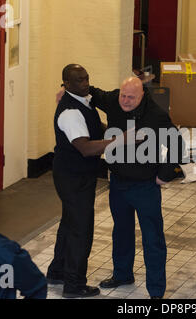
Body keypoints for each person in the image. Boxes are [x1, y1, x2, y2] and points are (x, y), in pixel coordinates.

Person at [58, 76, 185, 299]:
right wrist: (64, 92)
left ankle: (156, 290)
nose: (125, 101)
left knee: (152, 239)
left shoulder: (156, 115)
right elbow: (90, 89)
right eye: (123, 96)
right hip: (118, 184)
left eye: (131, 97)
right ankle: (122, 274)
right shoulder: (114, 100)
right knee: (121, 232)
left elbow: (177, 144)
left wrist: (165, 176)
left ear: (142, 96)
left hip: (146, 186)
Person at [46, 64, 127, 298]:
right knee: (81, 230)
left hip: (75, 174)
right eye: (79, 81)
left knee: (69, 224)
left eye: (86, 78)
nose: (85, 83)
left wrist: (112, 134)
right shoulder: (70, 112)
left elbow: (94, 128)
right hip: (73, 177)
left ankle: (57, 271)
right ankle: (74, 285)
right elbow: (85, 147)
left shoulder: (85, 100)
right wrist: (120, 141)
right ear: (66, 84)